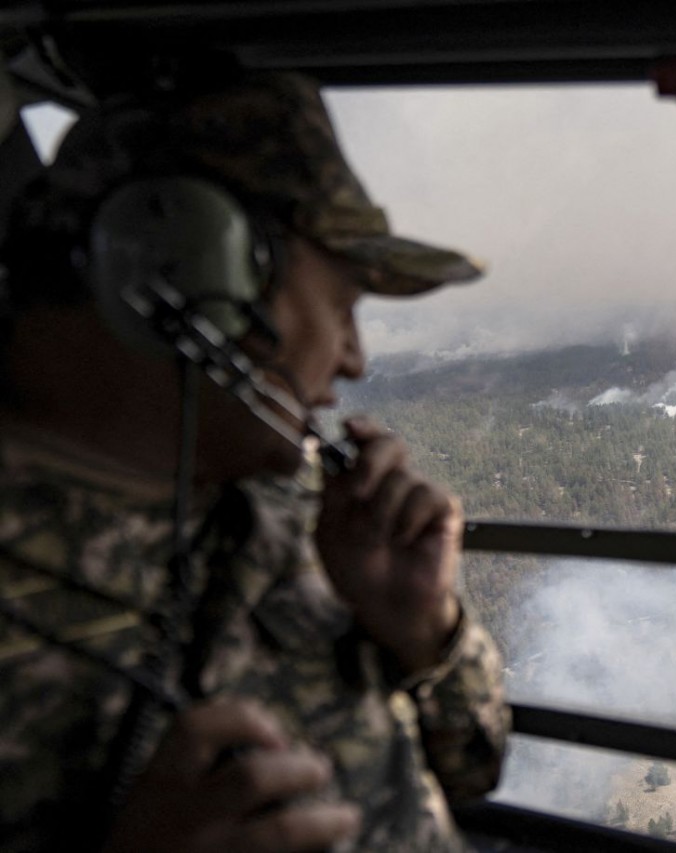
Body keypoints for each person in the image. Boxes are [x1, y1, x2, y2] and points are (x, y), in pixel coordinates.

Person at [0, 71, 508, 851]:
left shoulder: (304, 513)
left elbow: (474, 769)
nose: (354, 359)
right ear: (182, 275)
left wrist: (422, 630)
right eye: (342, 306)